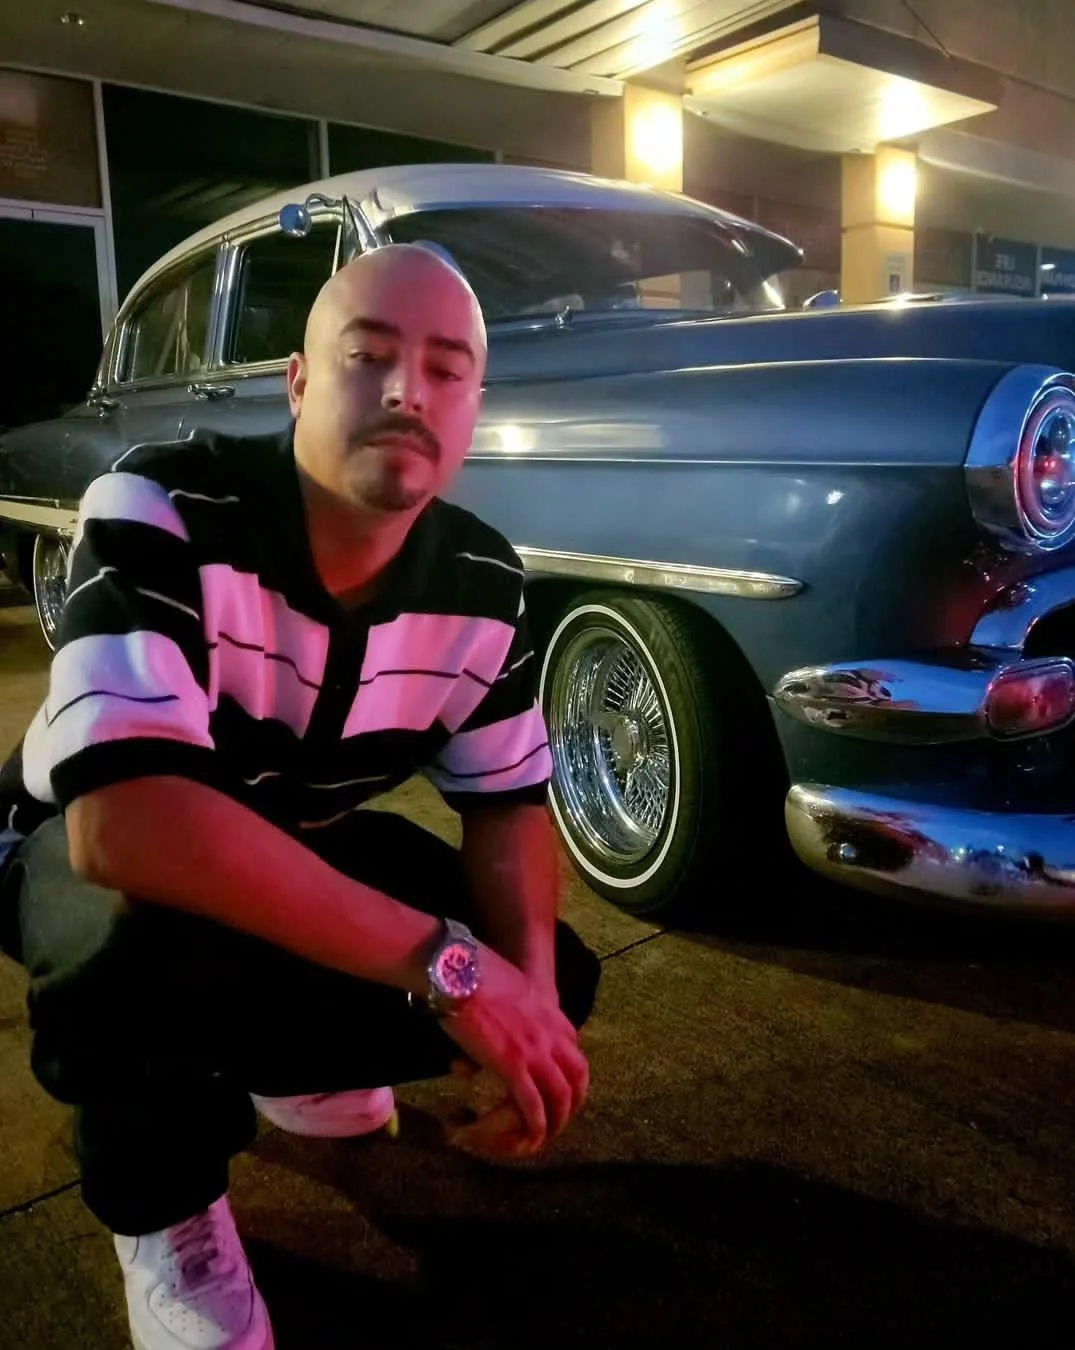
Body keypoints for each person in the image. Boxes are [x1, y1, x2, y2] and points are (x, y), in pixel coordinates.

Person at [0, 243, 601, 1350]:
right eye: (368, 354)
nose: (406, 390)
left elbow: (506, 804)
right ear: (298, 381)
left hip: (288, 839)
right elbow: (124, 825)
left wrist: (522, 1005)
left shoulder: (485, 583)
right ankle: (164, 1206)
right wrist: (447, 968)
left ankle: (291, 1067)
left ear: (473, 403)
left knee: (554, 972)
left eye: (447, 368)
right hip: (73, 851)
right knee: (136, 941)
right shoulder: (163, 503)